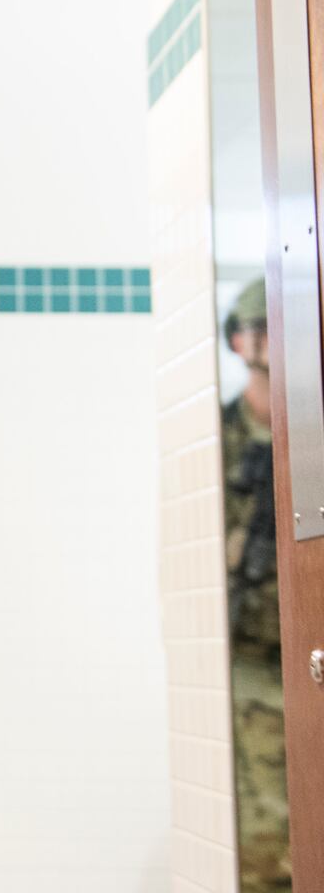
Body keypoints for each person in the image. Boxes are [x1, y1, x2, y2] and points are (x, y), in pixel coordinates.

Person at [222, 278, 289, 891]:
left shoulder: (309, 435)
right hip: (248, 661)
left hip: (307, 656)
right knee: (266, 844)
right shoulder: (216, 438)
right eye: (258, 330)